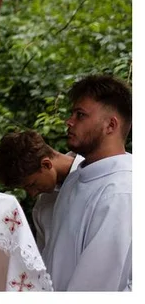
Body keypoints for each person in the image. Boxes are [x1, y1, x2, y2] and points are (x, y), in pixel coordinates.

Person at [42, 74, 132, 291]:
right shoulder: (76, 177)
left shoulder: (121, 192)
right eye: (72, 113)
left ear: (110, 125)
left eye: (80, 115)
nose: (69, 121)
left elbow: (97, 285)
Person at [0, 130, 82, 252]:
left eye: (32, 184)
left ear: (46, 164)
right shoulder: (42, 207)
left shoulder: (98, 173)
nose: (32, 193)